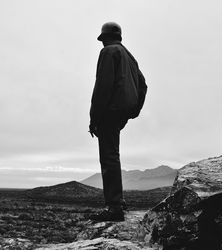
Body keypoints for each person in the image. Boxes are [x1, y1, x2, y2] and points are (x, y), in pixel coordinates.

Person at [89, 22, 148, 222]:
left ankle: (114, 207)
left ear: (104, 38)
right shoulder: (130, 57)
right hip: (121, 112)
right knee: (113, 154)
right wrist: (134, 111)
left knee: (108, 157)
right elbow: (143, 85)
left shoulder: (109, 52)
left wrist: (94, 118)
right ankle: (118, 201)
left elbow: (102, 86)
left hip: (109, 111)